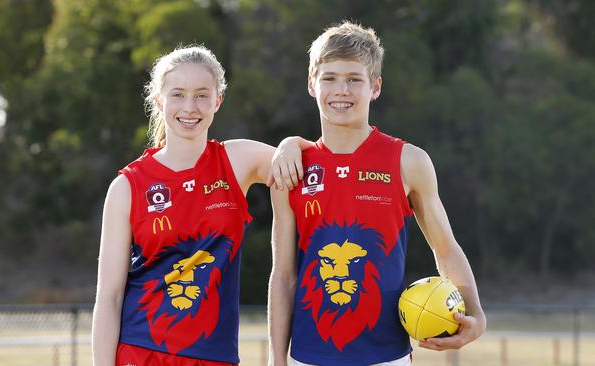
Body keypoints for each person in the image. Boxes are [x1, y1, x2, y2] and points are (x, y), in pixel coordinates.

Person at [268, 21, 487, 366]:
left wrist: (476, 313)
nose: (341, 90)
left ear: (376, 87)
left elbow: (445, 249)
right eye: (330, 78)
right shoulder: (290, 169)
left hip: (388, 356)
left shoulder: (409, 161)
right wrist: (277, 360)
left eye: (354, 79)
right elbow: (283, 275)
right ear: (312, 84)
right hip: (307, 357)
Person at [91, 45, 309, 366]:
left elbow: (312, 165)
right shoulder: (128, 186)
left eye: (201, 95)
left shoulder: (236, 160)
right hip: (141, 351)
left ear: (217, 101)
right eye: (177, 94)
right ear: (159, 100)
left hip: (214, 355)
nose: (190, 107)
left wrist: (292, 143)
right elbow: (109, 298)